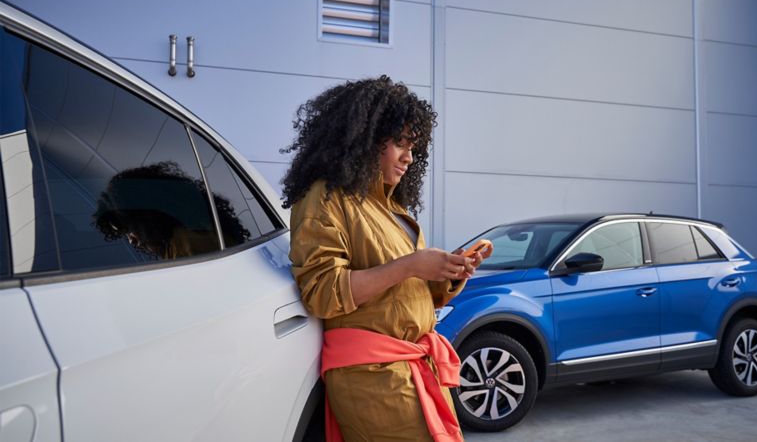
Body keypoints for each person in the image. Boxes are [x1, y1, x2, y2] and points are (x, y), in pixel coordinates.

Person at [281, 76, 491, 442]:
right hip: (374, 376)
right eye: (400, 144)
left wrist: (450, 272)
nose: (410, 157)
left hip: (414, 368)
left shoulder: (393, 208)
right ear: (365, 138)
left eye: (414, 147)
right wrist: (410, 265)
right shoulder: (326, 198)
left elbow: (413, 292)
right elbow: (321, 292)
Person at [93, 161, 249, 260]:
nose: (131, 240)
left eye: (128, 230)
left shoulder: (189, 245)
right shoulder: (181, 240)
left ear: (145, 217)